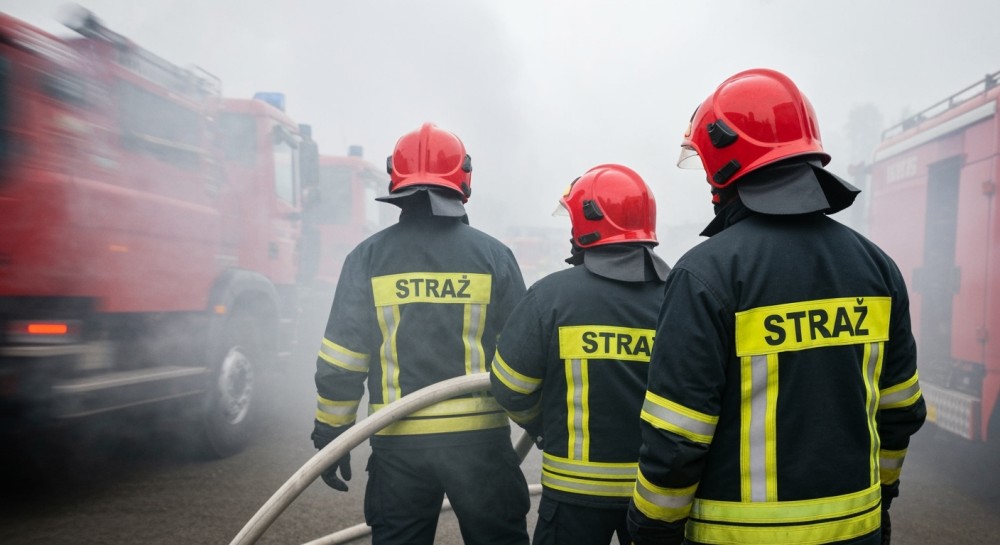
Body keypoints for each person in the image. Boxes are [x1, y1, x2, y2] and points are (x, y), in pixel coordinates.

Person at [626, 68, 927, 545]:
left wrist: (650, 529)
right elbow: (901, 409)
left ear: (723, 162)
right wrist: (883, 498)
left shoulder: (705, 274)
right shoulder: (877, 268)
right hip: (859, 530)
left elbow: (678, 438)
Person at [311, 122, 531, 545]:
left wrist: (332, 434)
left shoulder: (367, 258)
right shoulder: (493, 256)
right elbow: (522, 355)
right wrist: (538, 422)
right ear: (463, 179)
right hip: (480, 447)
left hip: (399, 449)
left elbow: (342, 360)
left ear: (396, 179)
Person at [490, 164, 670, 545]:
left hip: (573, 496)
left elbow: (509, 386)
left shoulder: (550, 297)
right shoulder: (680, 296)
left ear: (586, 225)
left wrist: (542, 423)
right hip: (657, 494)